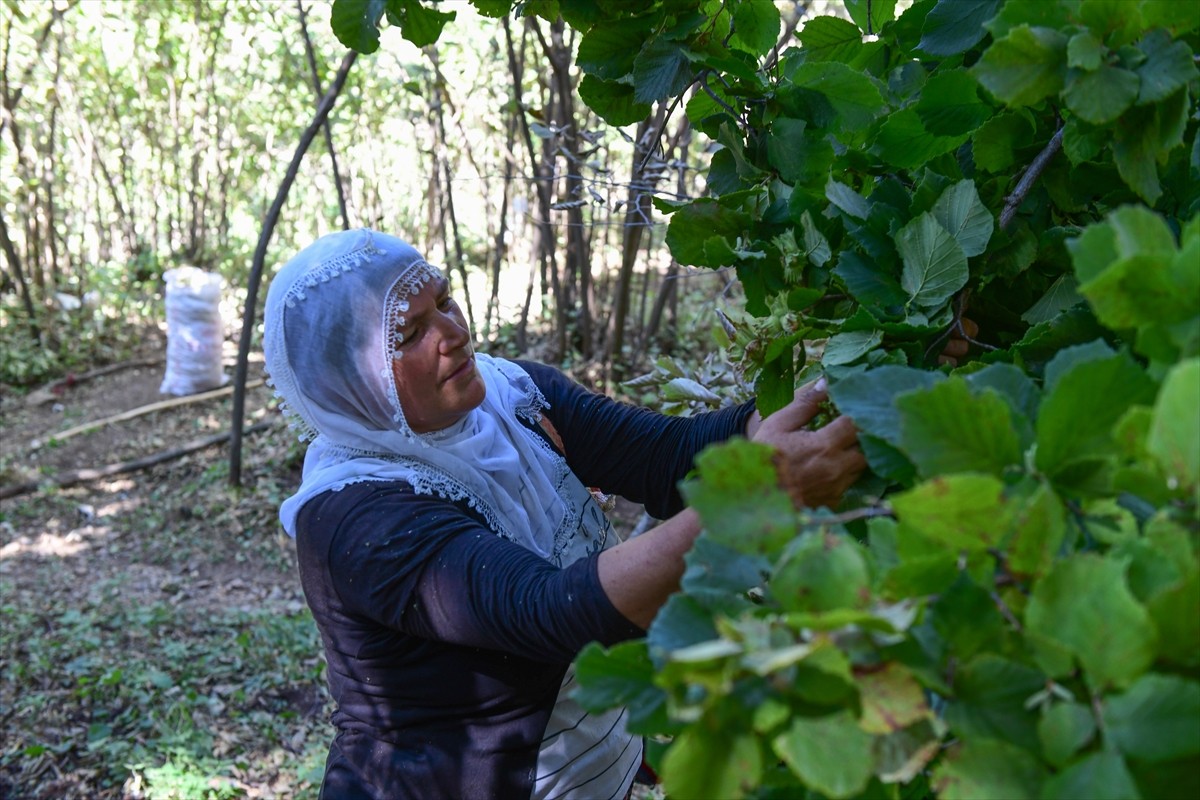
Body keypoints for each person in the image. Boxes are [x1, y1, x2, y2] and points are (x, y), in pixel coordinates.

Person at [262, 229, 866, 800]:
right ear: (348, 379)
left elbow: (670, 458)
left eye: (445, 302)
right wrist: (751, 501)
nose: (452, 333)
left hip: (583, 768)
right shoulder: (353, 517)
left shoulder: (511, 394)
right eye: (410, 332)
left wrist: (850, 383)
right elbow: (552, 612)